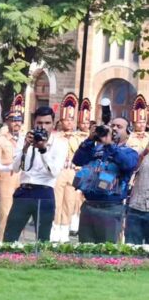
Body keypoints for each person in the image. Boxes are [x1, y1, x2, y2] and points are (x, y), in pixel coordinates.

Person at [2, 106, 66, 242]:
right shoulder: (25, 139)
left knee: (42, 239)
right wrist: (25, 146)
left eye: (47, 123)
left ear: (53, 124)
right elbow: (15, 168)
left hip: (45, 191)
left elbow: (54, 172)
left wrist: (43, 150)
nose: (43, 127)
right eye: (39, 123)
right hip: (24, 191)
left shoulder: (60, 144)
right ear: (34, 123)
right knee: (10, 236)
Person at [72, 117, 138, 243]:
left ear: (128, 132)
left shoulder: (130, 152)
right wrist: (90, 139)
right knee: (85, 250)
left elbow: (128, 165)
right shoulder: (96, 150)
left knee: (108, 251)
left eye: (119, 127)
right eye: (112, 125)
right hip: (89, 206)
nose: (114, 129)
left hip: (111, 208)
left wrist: (110, 145)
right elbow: (78, 160)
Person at [51, 94, 86, 242]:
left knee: (69, 202)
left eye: (71, 120)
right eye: (66, 119)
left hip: (72, 171)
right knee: (56, 201)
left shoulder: (79, 138)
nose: (69, 123)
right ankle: (54, 231)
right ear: (61, 120)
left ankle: (64, 232)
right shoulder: (54, 137)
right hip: (59, 171)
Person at [0, 95, 24, 241]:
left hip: (22, 178)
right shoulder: (0, 139)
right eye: (13, 120)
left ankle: (17, 241)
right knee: (5, 211)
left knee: (21, 212)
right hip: (6, 177)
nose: (16, 123)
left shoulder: (26, 139)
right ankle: (2, 241)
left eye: (19, 120)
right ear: (8, 122)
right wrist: (10, 166)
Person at [70, 98, 93, 233]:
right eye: (83, 122)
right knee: (74, 199)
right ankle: (73, 224)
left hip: (89, 172)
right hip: (77, 171)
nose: (85, 125)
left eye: (87, 122)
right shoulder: (74, 136)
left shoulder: (94, 138)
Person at [126, 144, 149, 244]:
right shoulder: (142, 153)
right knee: (131, 252)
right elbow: (130, 169)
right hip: (136, 208)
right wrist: (143, 153)